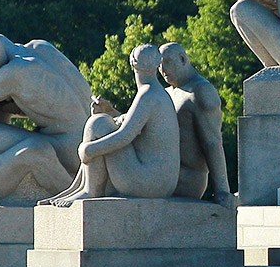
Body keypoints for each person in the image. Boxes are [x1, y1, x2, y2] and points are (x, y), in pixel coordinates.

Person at [0, 31, 93, 204]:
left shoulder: (10, 75)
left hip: (67, 147)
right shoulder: (39, 52)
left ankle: (79, 195)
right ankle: (74, 197)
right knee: (26, 147)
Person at [43, 44, 181, 203]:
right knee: (101, 119)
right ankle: (82, 188)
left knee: (98, 123)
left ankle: (90, 190)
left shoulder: (148, 95)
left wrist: (88, 150)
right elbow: (130, 123)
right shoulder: (156, 92)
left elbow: (125, 136)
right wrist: (109, 111)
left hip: (149, 182)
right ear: (157, 65)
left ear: (133, 65)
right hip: (160, 182)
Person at [158, 42, 238, 208]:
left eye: (167, 62)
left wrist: (222, 190)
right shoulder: (166, 92)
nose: (163, 69)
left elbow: (212, 142)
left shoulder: (201, 91)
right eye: (159, 64)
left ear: (182, 59)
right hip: (164, 171)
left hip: (186, 179)